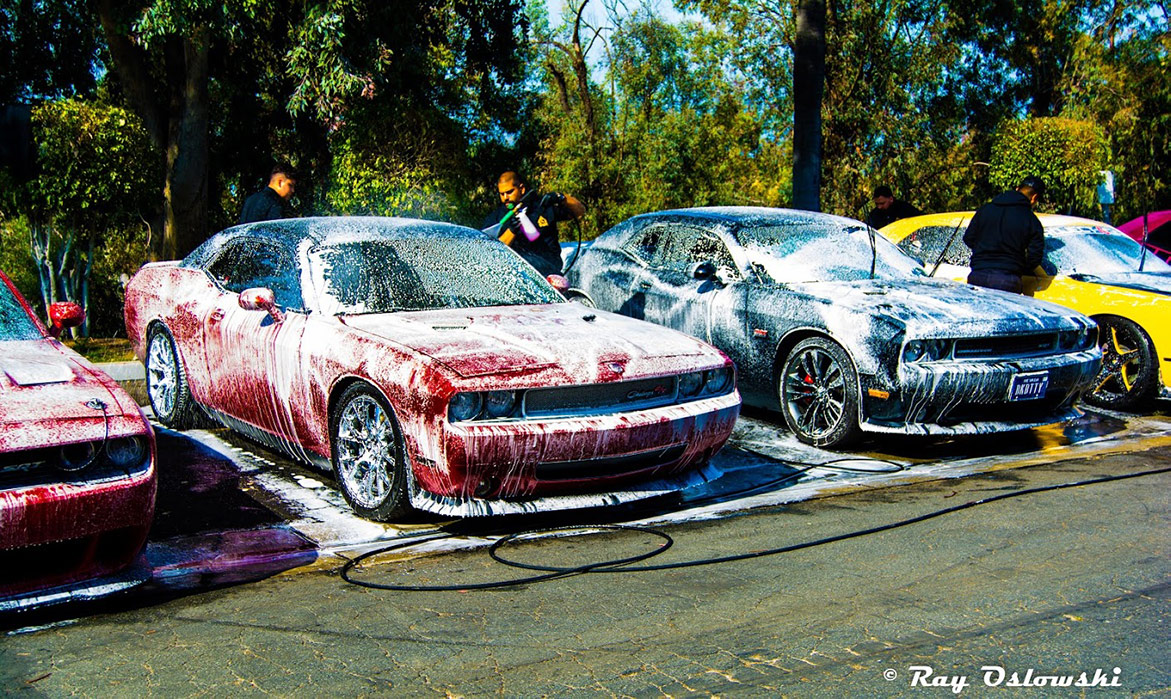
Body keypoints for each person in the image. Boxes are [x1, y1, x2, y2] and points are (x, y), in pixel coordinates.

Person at [482, 170, 585, 277]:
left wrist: (560, 197)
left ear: (521, 189)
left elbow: (580, 211)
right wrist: (512, 230)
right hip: (520, 274)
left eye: (509, 192)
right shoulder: (497, 217)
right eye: (502, 194)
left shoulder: (541, 206)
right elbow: (491, 251)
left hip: (551, 271)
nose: (505, 198)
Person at [962, 175, 1047, 294]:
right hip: (1008, 280)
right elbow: (1035, 257)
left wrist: (984, 252)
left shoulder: (985, 210)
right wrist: (1017, 266)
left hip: (977, 276)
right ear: (1034, 198)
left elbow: (968, 238)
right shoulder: (1031, 220)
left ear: (1017, 189)